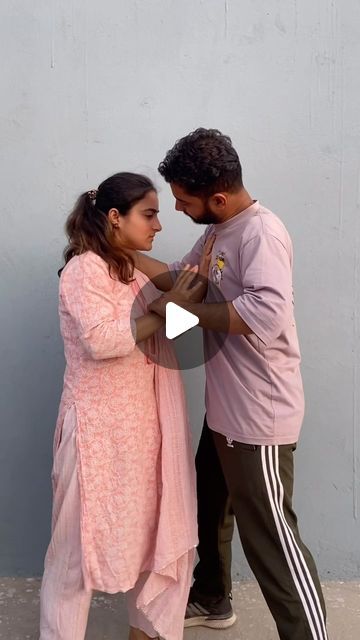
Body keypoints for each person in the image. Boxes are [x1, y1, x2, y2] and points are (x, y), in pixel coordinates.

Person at [133, 129, 328, 640]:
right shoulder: (219, 230)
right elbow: (179, 276)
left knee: (272, 539)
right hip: (223, 413)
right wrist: (122, 253)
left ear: (217, 198)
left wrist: (183, 312)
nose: (175, 210)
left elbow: (267, 311)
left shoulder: (260, 233)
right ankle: (213, 599)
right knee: (209, 507)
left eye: (182, 201)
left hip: (257, 419)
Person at [39, 172, 209, 640]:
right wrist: (165, 307)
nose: (158, 225)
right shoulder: (83, 270)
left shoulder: (130, 267)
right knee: (75, 555)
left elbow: (178, 327)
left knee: (158, 540)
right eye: (148, 214)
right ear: (115, 217)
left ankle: (148, 633)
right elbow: (103, 341)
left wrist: (169, 291)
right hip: (96, 434)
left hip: (145, 431)